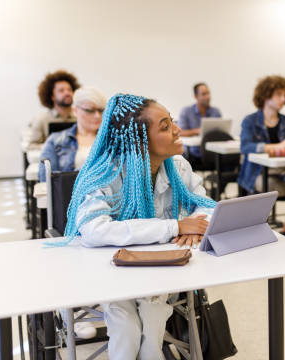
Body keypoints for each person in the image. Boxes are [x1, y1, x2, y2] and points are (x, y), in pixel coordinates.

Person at [60, 94, 216, 359]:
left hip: (159, 267)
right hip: (111, 269)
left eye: (172, 122)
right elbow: (93, 229)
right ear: (139, 141)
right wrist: (175, 226)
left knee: (155, 314)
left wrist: (194, 224)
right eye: (165, 127)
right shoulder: (105, 172)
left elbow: (207, 205)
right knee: (126, 325)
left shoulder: (178, 167)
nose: (177, 130)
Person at [238, 75, 285, 236]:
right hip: (258, 171)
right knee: (267, 187)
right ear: (266, 96)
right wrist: (276, 147)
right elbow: (246, 146)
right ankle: (257, 228)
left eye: (284, 95)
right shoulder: (250, 121)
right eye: (279, 95)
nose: (283, 99)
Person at [38, 87, 107, 182]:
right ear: (75, 111)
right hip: (70, 194)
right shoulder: (56, 141)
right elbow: (46, 180)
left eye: (101, 110)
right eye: (90, 110)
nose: (97, 116)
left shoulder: (112, 139)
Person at [28, 69, 80, 145]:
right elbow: (32, 146)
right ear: (52, 96)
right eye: (61, 91)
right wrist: (50, 149)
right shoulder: (42, 119)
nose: (67, 93)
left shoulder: (79, 117)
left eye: (69, 90)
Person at [178, 82, 222, 170]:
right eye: (203, 94)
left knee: (232, 159)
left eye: (208, 93)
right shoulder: (186, 111)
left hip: (213, 151)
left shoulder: (215, 112)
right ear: (196, 96)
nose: (207, 97)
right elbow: (180, 132)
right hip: (194, 153)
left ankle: (219, 181)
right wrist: (197, 131)